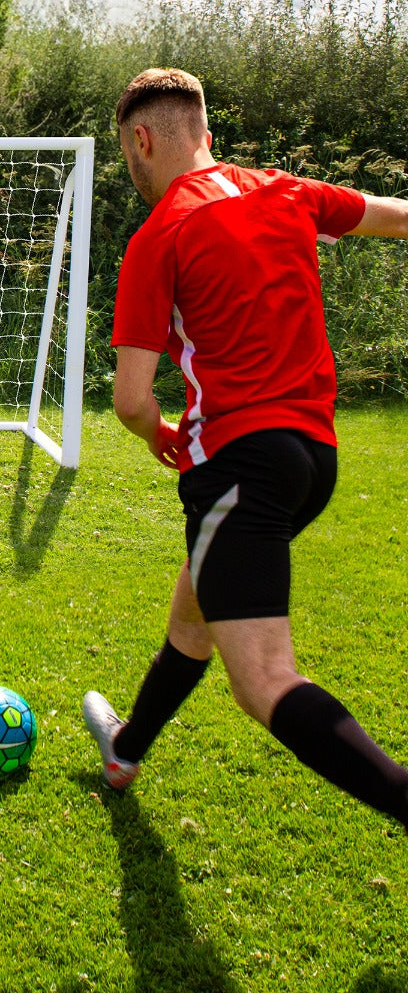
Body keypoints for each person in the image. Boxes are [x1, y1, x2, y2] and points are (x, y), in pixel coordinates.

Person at [82, 66, 408, 829]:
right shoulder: (285, 190)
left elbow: (131, 400)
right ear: (206, 130)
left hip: (239, 465)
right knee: (193, 614)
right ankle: (125, 751)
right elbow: (395, 215)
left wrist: (158, 433)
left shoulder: (159, 235)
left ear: (140, 139)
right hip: (313, 460)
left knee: (262, 681)